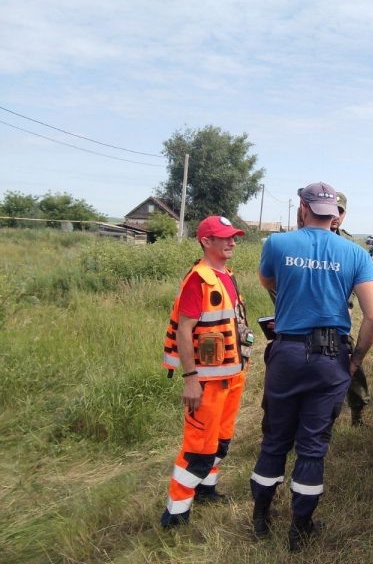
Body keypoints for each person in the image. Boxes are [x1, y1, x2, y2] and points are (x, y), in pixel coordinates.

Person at [250, 182, 373, 551]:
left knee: (275, 438)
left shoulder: (277, 244)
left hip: (287, 352)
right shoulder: (355, 254)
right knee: (312, 445)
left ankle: (260, 517)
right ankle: (300, 528)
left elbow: (268, 282)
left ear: (303, 209)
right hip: (330, 357)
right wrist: (355, 361)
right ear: (335, 214)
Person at [160, 215, 250, 528]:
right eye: (225, 237)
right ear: (206, 241)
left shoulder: (226, 275)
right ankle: (176, 513)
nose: (232, 242)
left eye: (233, 237)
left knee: (220, 441)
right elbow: (184, 330)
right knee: (198, 448)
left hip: (232, 376)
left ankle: (206, 489)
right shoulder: (198, 280)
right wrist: (190, 380)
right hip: (207, 383)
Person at [332, 192, 371, 426]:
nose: (335, 216)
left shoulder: (349, 244)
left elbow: (358, 279)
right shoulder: (304, 238)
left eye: (340, 211)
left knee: (349, 358)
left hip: (339, 314)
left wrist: (348, 304)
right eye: (332, 209)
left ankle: (358, 409)